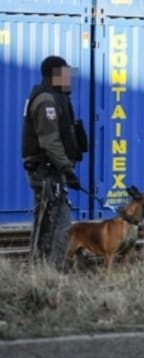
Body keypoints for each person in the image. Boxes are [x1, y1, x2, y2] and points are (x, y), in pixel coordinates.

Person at [22, 56, 86, 268]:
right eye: (66, 74)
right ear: (53, 75)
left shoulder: (53, 97)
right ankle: (51, 272)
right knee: (58, 222)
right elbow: (49, 141)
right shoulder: (47, 100)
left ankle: (40, 271)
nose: (70, 79)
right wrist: (67, 170)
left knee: (47, 222)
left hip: (49, 170)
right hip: (46, 170)